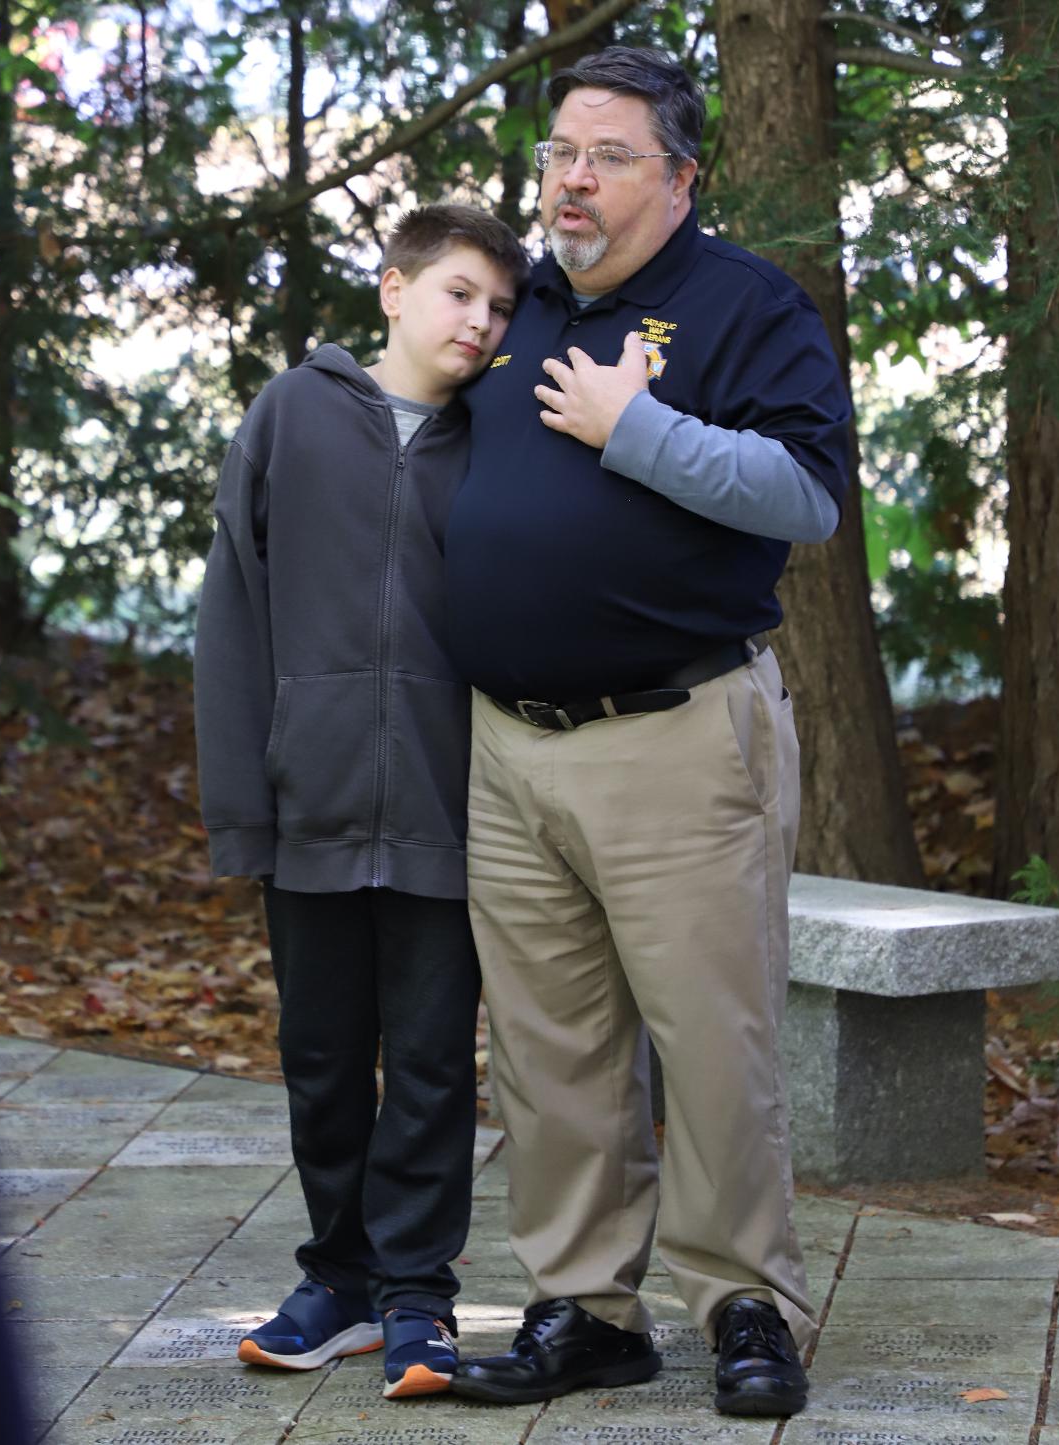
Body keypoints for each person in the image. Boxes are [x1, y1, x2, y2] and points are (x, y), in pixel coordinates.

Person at [444, 47, 851, 1418]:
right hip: (509, 747)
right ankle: (585, 1308)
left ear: (679, 180)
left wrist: (641, 428)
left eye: (607, 156)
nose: (570, 178)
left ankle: (744, 1303)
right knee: (548, 1047)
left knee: (711, 1036)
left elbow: (805, 497)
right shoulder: (517, 306)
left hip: (674, 735)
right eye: (559, 151)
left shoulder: (745, 308)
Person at [192, 204, 528, 1400]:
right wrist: (243, 802)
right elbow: (233, 611)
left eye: (497, 307)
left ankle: (418, 1298)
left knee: (433, 1057)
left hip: (450, 805)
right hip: (313, 799)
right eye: (457, 293)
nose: (478, 323)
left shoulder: (499, 437)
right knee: (323, 1053)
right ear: (393, 288)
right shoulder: (291, 414)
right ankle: (335, 1277)